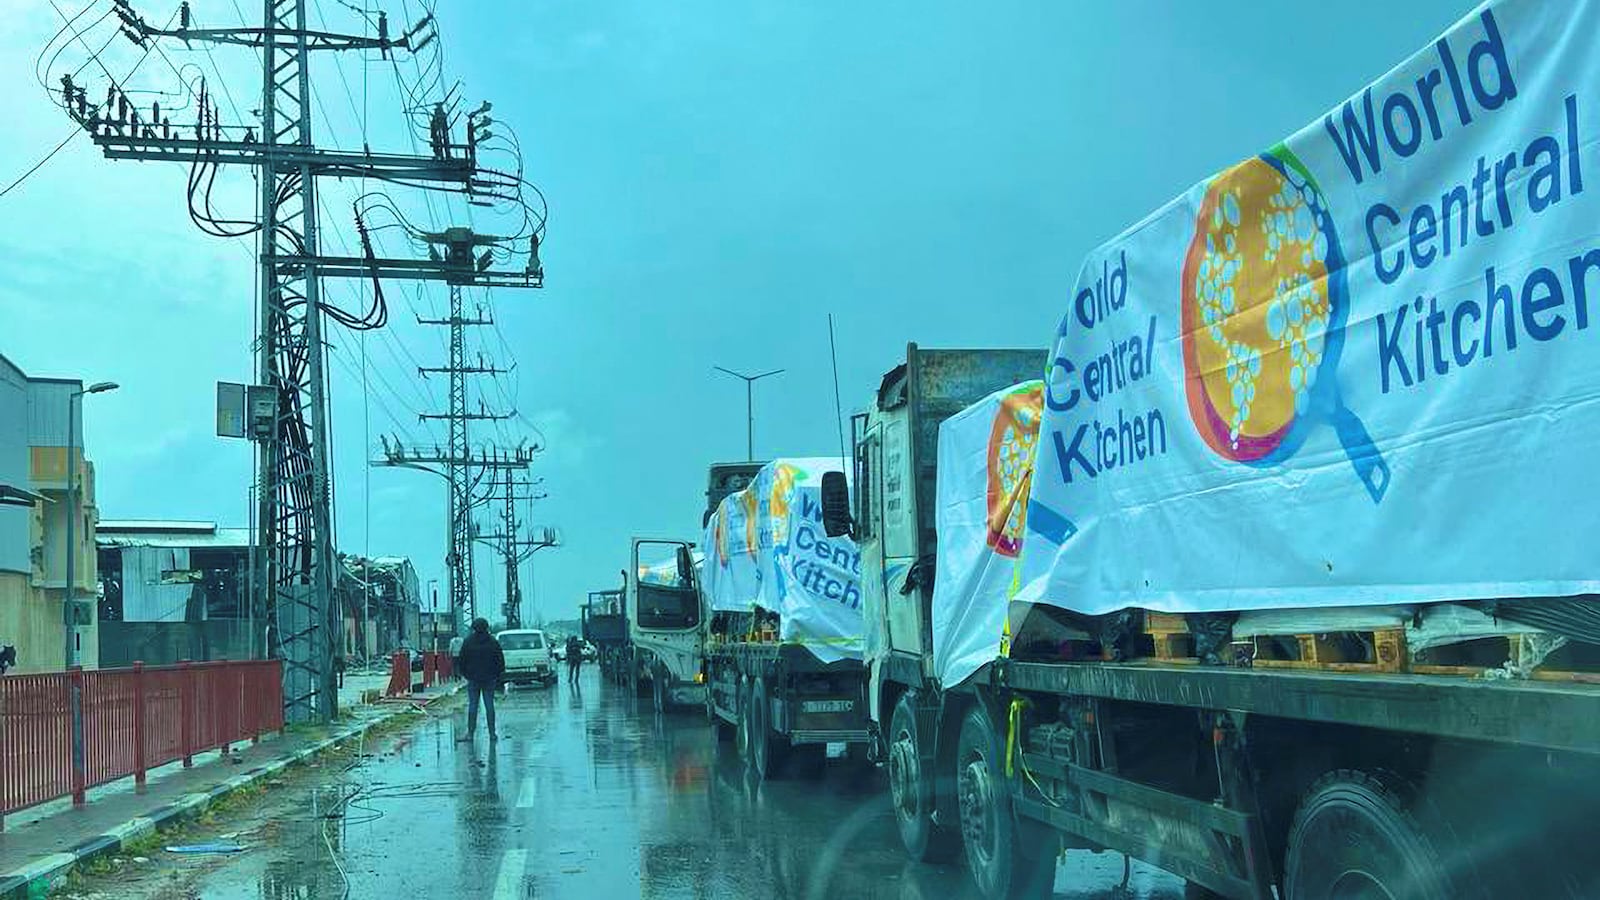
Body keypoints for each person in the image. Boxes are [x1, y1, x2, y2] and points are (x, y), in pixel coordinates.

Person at [455, 618, 505, 741]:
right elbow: (500, 661)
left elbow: (462, 660)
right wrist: (497, 676)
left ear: (473, 628)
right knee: (489, 705)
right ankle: (492, 734)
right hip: (489, 679)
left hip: (473, 679)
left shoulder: (468, 642)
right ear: (487, 627)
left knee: (473, 706)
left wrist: (466, 674)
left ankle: (470, 734)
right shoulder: (493, 642)